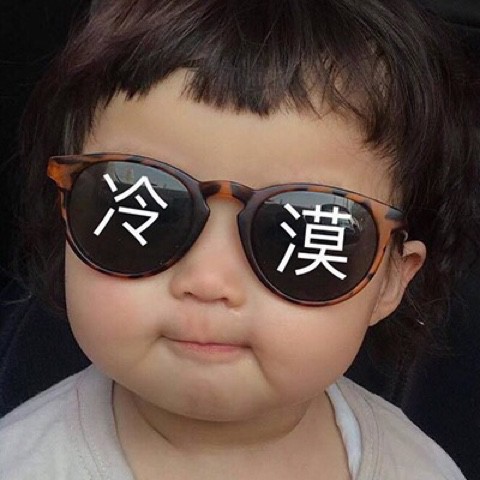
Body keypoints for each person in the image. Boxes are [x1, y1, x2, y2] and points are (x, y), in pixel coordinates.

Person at [1, 0, 478, 478]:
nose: (208, 281)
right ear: (68, 214)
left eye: (297, 231)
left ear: (391, 279)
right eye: (143, 210)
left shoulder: (419, 467)